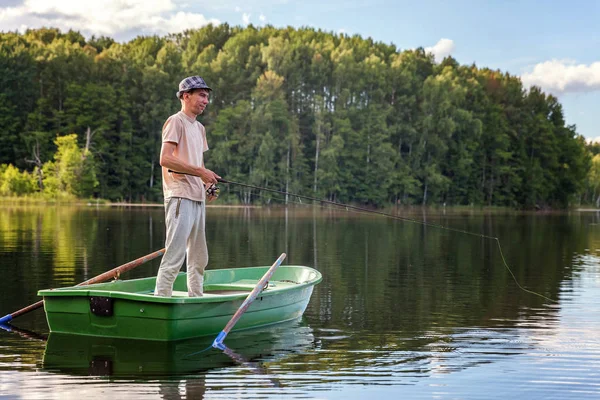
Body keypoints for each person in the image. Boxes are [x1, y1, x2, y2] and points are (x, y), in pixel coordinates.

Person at [154, 76, 221, 297]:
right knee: (174, 255)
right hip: (179, 197)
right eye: (201, 95)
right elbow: (165, 159)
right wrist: (201, 172)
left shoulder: (200, 128)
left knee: (199, 256)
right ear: (185, 96)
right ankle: (161, 299)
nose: (205, 101)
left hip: (197, 197)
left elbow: (197, 163)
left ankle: (196, 298)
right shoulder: (175, 121)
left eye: (207, 97)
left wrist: (207, 183)